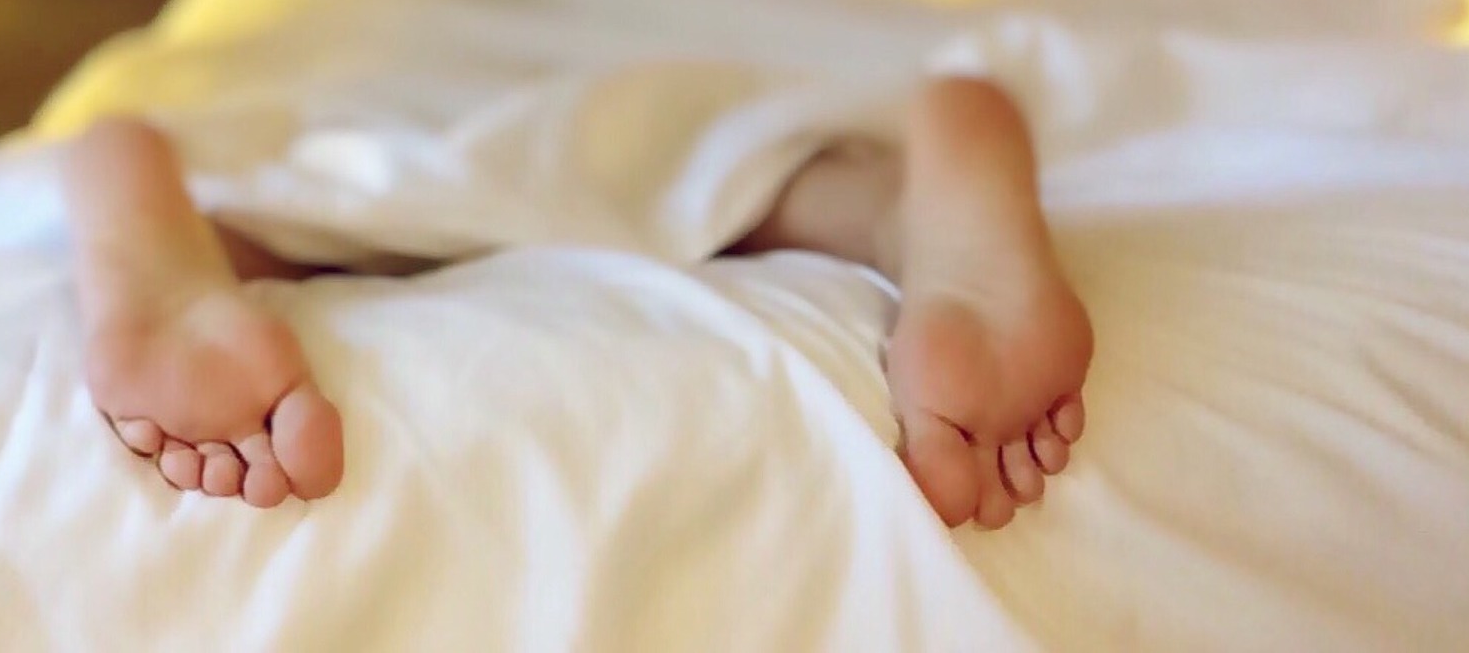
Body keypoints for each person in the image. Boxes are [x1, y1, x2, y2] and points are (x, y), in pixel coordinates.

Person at [64, 75, 1091, 530]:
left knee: (302, 197)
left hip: (355, 124)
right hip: (687, 106)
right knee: (765, 177)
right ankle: (906, 203)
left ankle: (164, 228)